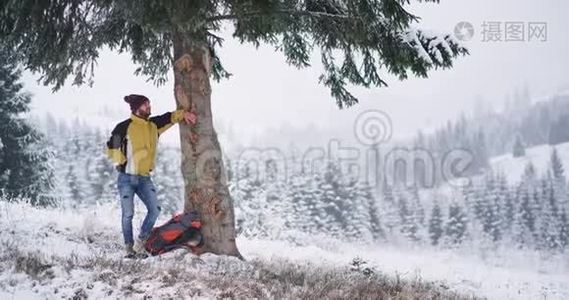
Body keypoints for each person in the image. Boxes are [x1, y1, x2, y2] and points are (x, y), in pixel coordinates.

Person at [105, 94, 197, 258]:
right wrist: (123, 161)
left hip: (144, 179)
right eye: (146, 106)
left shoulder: (153, 125)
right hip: (126, 178)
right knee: (128, 214)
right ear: (136, 108)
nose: (149, 108)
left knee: (154, 210)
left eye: (149, 105)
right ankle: (129, 248)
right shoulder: (124, 126)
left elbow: (170, 118)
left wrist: (184, 114)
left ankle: (142, 241)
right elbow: (111, 147)